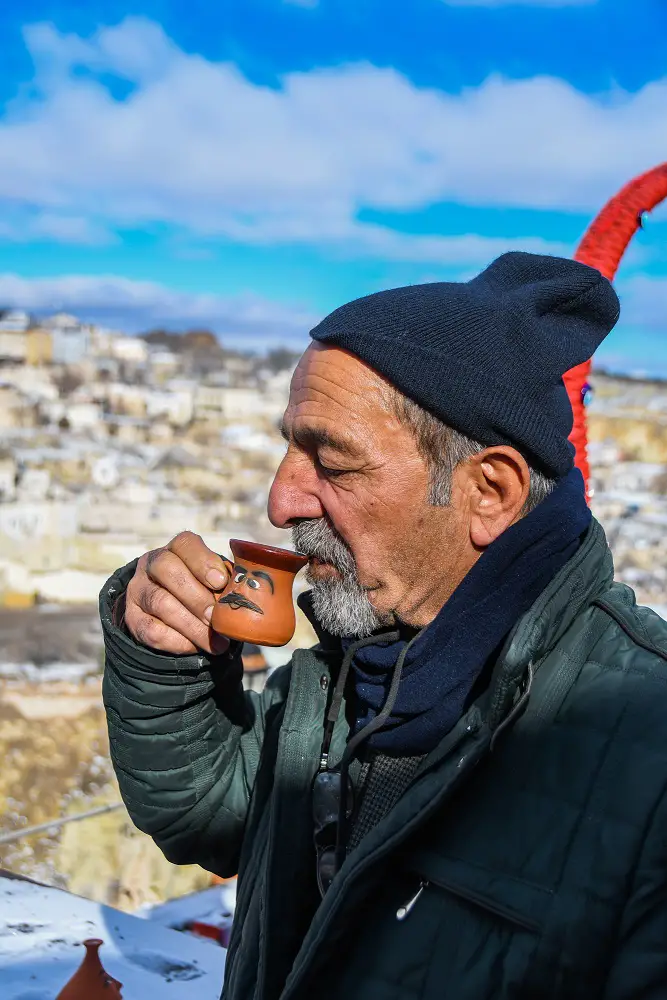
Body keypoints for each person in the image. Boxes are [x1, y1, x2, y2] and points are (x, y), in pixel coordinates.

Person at [100, 252, 667, 1000]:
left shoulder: (646, 750)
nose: (281, 501)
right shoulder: (347, 668)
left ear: (488, 492)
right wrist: (162, 656)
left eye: (331, 464)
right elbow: (210, 817)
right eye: (288, 447)